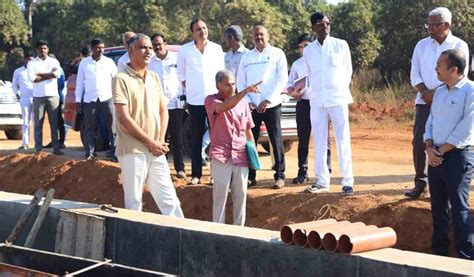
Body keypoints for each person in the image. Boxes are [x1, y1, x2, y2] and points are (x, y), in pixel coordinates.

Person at [113, 33, 184, 217]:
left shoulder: (153, 77)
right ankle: (133, 243)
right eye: (143, 48)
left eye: (150, 48)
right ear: (130, 51)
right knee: (134, 202)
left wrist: (158, 141)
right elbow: (124, 118)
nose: (148, 52)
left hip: (155, 151)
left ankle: (182, 238)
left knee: (170, 200)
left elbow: (163, 111)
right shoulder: (121, 79)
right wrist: (150, 142)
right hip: (133, 150)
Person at [406, 7, 469, 199]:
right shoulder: (421, 45)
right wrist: (425, 92)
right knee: (420, 141)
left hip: (451, 99)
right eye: (428, 24)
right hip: (424, 100)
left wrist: (438, 92)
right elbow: (414, 72)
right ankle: (421, 182)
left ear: (447, 25)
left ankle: (445, 183)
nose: (430, 28)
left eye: (435, 24)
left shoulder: (459, 44)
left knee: (448, 140)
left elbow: (461, 73)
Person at [424, 49, 473, 260]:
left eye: (439, 66)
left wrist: (441, 150)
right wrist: (428, 146)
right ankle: (439, 255)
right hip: (435, 156)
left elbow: (467, 127)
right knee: (438, 208)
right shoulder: (440, 92)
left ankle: (465, 257)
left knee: (460, 208)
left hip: (458, 157)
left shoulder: (470, 91)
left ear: (454, 69)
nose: (436, 69)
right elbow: (431, 121)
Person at [303, 12, 354, 196]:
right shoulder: (308, 50)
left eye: (326, 23)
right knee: (319, 140)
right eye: (320, 23)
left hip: (338, 98)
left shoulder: (341, 45)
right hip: (317, 100)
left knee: (342, 139)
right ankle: (322, 181)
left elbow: (348, 71)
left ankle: (348, 182)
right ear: (314, 27)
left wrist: (337, 89)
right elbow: (310, 74)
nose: (324, 26)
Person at [205, 70, 259, 225]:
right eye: (227, 84)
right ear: (218, 86)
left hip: (241, 154)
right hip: (221, 154)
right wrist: (245, 92)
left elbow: (249, 130)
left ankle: (239, 231)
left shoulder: (243, 103)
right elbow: (225, 106)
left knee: (241, 195)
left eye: (233, 84)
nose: (231, 87)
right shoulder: (211, 100)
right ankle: (218, 231)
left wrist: (253, 155)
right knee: (220, 195)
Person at [237, 25, 288, 189]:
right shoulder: (247, 57)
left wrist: (268, 100)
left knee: (276, 139)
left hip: (271, 104)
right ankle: (251, 176)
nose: (259, 37)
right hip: (252, 105)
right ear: (251, 37)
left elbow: (282, 80)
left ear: (268, 35)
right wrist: (249, 101)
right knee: (251, 141)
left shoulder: (277, 53)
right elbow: (240, 81)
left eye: (261, 34)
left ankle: (279, 175)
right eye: (255, 35)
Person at [177, 19, 225, 185]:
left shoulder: (217, 49)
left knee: (216, 138)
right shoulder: (185, 50)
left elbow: (221, 74)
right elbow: (181, 75)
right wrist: (188, 93)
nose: (202, 31)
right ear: (193, 33)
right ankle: (196, 174)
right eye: (198, 29)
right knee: (196, 138)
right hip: (195, 99)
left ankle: (215, 175)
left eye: (204, 28)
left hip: (214, 99)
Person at [288, 33, 331, 184]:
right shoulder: (297, 64)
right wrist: (293, 92)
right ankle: (303, 171)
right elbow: (290, 84)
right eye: (300, 47)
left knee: (323, 138)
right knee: (303, 139)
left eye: (305, 45)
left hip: (320, 103)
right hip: (303, 104)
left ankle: (327, 170)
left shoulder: (322, 60)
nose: (302, 49)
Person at [149, 33, 186, 179]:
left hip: (175, 105)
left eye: (159, 43)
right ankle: (161, 170)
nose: (157, 47)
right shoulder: (150, 63)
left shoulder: (176, 59)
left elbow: (183, 79)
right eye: (155, 45)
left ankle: (180, 168)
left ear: (165, 43)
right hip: (157, 107)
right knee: (160, 139)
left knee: (177, 139)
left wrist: (185, 99)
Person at [75, 38, 118, 161]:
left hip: (107, 98)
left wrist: (117, 97)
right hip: (90, 99)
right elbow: (80, 83)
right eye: (98, 48)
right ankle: (90, 153)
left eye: (103, 48)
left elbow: (116, 80)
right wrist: (78, 100)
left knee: (112, 127)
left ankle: (114, 153)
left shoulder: (109, 62)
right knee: (89, 127)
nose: (101, 50)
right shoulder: (84, 63)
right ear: (92, 48)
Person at [27, 39, 63, 155]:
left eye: (45, 48)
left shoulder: (54, 61)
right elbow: (33, 79)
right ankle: (38, 149)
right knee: (38, 124)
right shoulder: (32, 63)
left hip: (53, 96)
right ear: (37, 50)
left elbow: (57, 74)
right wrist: (49, 75)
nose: (43, 50)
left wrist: (40, 74)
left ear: (48, 49)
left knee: (54, 124)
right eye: (40, 48)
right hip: (38, 96)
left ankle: (56, 148)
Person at [43, 53, 66, 149]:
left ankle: (61, 141)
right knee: (53, 121)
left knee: (59, 120)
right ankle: (55, 140)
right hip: (50, 96)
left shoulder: (59, 70)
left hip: (57, 97)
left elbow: (60, 85)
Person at [12, 54, 34, 150]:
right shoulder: (18, 71)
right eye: (28, 59)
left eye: (32, 60)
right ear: (25, 59)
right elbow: (14, 85)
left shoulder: (36, 71)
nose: (30, 62)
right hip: (24, 98)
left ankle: (37, 144)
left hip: (36, 98)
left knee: (36, 121)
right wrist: (18, 94)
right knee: (25, 121)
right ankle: (25, 143)